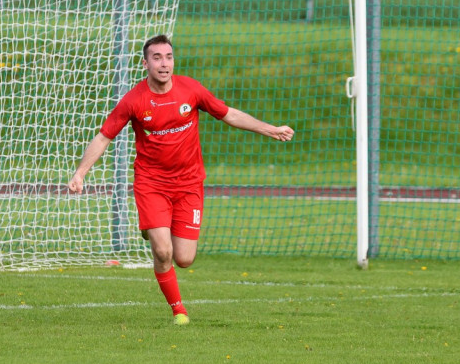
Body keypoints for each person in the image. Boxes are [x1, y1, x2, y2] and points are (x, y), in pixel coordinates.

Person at [68, 34, 294, 324]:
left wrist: (270, 129)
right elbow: (104, 136)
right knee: (163, 252)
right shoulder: (134, 100)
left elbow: (229, 114)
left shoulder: (191, 90)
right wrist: (80, 172)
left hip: (189, 184)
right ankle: (179, 310)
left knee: (184, 258)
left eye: (169, 57)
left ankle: (152, 228)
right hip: (151, 183)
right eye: (157, 57)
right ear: (145, 63)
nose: (164, 64)